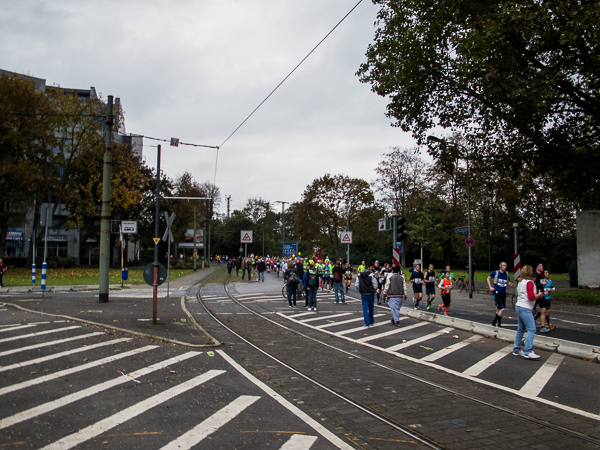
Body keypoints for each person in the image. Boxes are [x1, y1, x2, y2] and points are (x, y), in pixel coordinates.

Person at [513, 264, 544, 359]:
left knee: (521, 329)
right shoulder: (530, 283)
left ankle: (517, 349)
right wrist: (538, 295)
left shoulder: (520, 282)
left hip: (519, 305)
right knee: (532, 329)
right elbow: (531, 297)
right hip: (525, 307)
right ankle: (528, 351)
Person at [487, 261, 513, 327]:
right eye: (503, 266)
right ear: (500, 266)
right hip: (497, 292)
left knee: (499, 309)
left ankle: (496, 323)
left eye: (506, 266)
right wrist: (490, 287)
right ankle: (495, 323)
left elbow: (508, 281)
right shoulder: (496, 273)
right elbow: (488, 278)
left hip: (503, 293)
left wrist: (510, 283)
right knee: (502, 308)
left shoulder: (506, 274)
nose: (505, 267)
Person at [355, 262, 379, 328]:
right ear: (368, 267)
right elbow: (375, 285)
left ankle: (366, 323)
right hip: (371, 293)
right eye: (372, 267)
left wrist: (360, 290)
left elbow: (356, 285)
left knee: (365, 308)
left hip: (363, 293)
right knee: (371, 308)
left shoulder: (359, 275)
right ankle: (371, 320)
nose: (373, 268)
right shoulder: (372, 275)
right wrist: (373, 290)